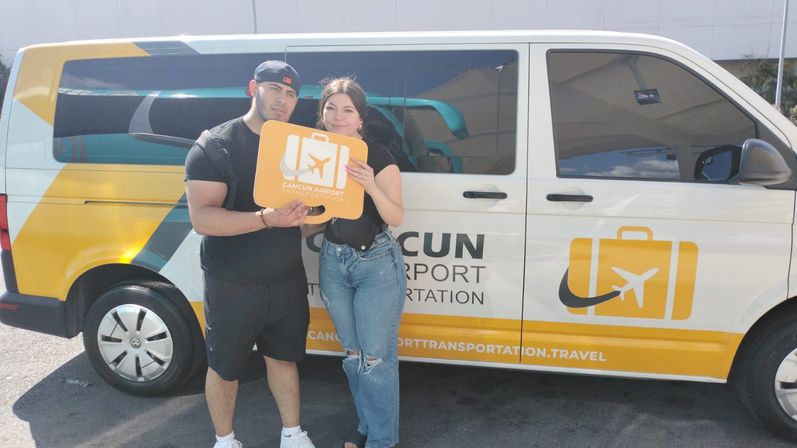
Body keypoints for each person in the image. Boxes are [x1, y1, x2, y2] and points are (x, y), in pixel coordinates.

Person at [185, 60, 316, 448]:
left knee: (283, 358)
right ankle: (225, 440)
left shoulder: (300, 148)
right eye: (274, 89)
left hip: (286, 278)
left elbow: (304, 219)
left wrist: (317, 216)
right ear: (252, 89)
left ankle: (292, 435)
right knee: (225, 368)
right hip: (232, 282)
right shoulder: (215, 145)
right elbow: (203, 218)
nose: (282, 100)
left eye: (290, 94)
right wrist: (265, 219)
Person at [315, 78, 407, 448]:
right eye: (331, 108)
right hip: (332, 261)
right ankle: (366, 424)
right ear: (322, 114)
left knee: (376, 359)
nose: (339, 117)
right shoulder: (315, 154)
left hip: (376, 263)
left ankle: (382, 440)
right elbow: (318, 217)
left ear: (360, 118)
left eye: (347, 110)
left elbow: (396, 216)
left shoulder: (378, 155)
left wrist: (370, 184)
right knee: (353, 356)